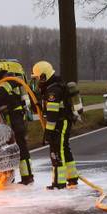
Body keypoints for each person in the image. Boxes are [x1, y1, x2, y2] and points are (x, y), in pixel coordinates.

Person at [0, 59, 33, 185]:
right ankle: (17, 177)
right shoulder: (1, 81)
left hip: (16, 119)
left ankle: (26, 177)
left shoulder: (6, 81)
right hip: (11, 119)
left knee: (19, 147)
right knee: (11, 149)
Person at [32, 61, 78, 190]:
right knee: (64, 149)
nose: (37, 81)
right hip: (62, 121)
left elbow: (52, 114)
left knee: (56, 151)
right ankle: (72, 178)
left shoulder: (53, 91)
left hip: (60, 122)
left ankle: (59, 182)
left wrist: (49, 131)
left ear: (43, 76)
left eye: (37, 78)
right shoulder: (53, 86)